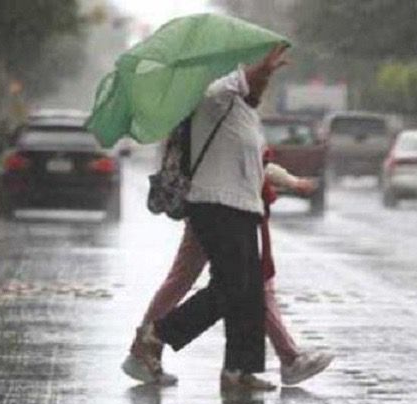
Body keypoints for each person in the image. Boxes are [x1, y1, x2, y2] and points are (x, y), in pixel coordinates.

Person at [126, 45, 327, 390]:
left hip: (244, 208)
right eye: (255, 81)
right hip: (214, 204)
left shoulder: (245, 114)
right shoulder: (210, 99)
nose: (260, 88)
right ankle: (156, 335)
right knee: (231, 288)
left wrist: (266, 73)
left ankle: (239, 370)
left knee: (248, 292)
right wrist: (257, 69)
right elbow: (227, 87)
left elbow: (258, 163)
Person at [123, 157, 334, 387]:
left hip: (215, 205)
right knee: (247, 283)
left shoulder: (202, 123)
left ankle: (147, 348)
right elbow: (251, 160)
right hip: (224, 208)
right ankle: (282, 360)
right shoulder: (223, 121)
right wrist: (292, 182)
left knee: (193, 279)